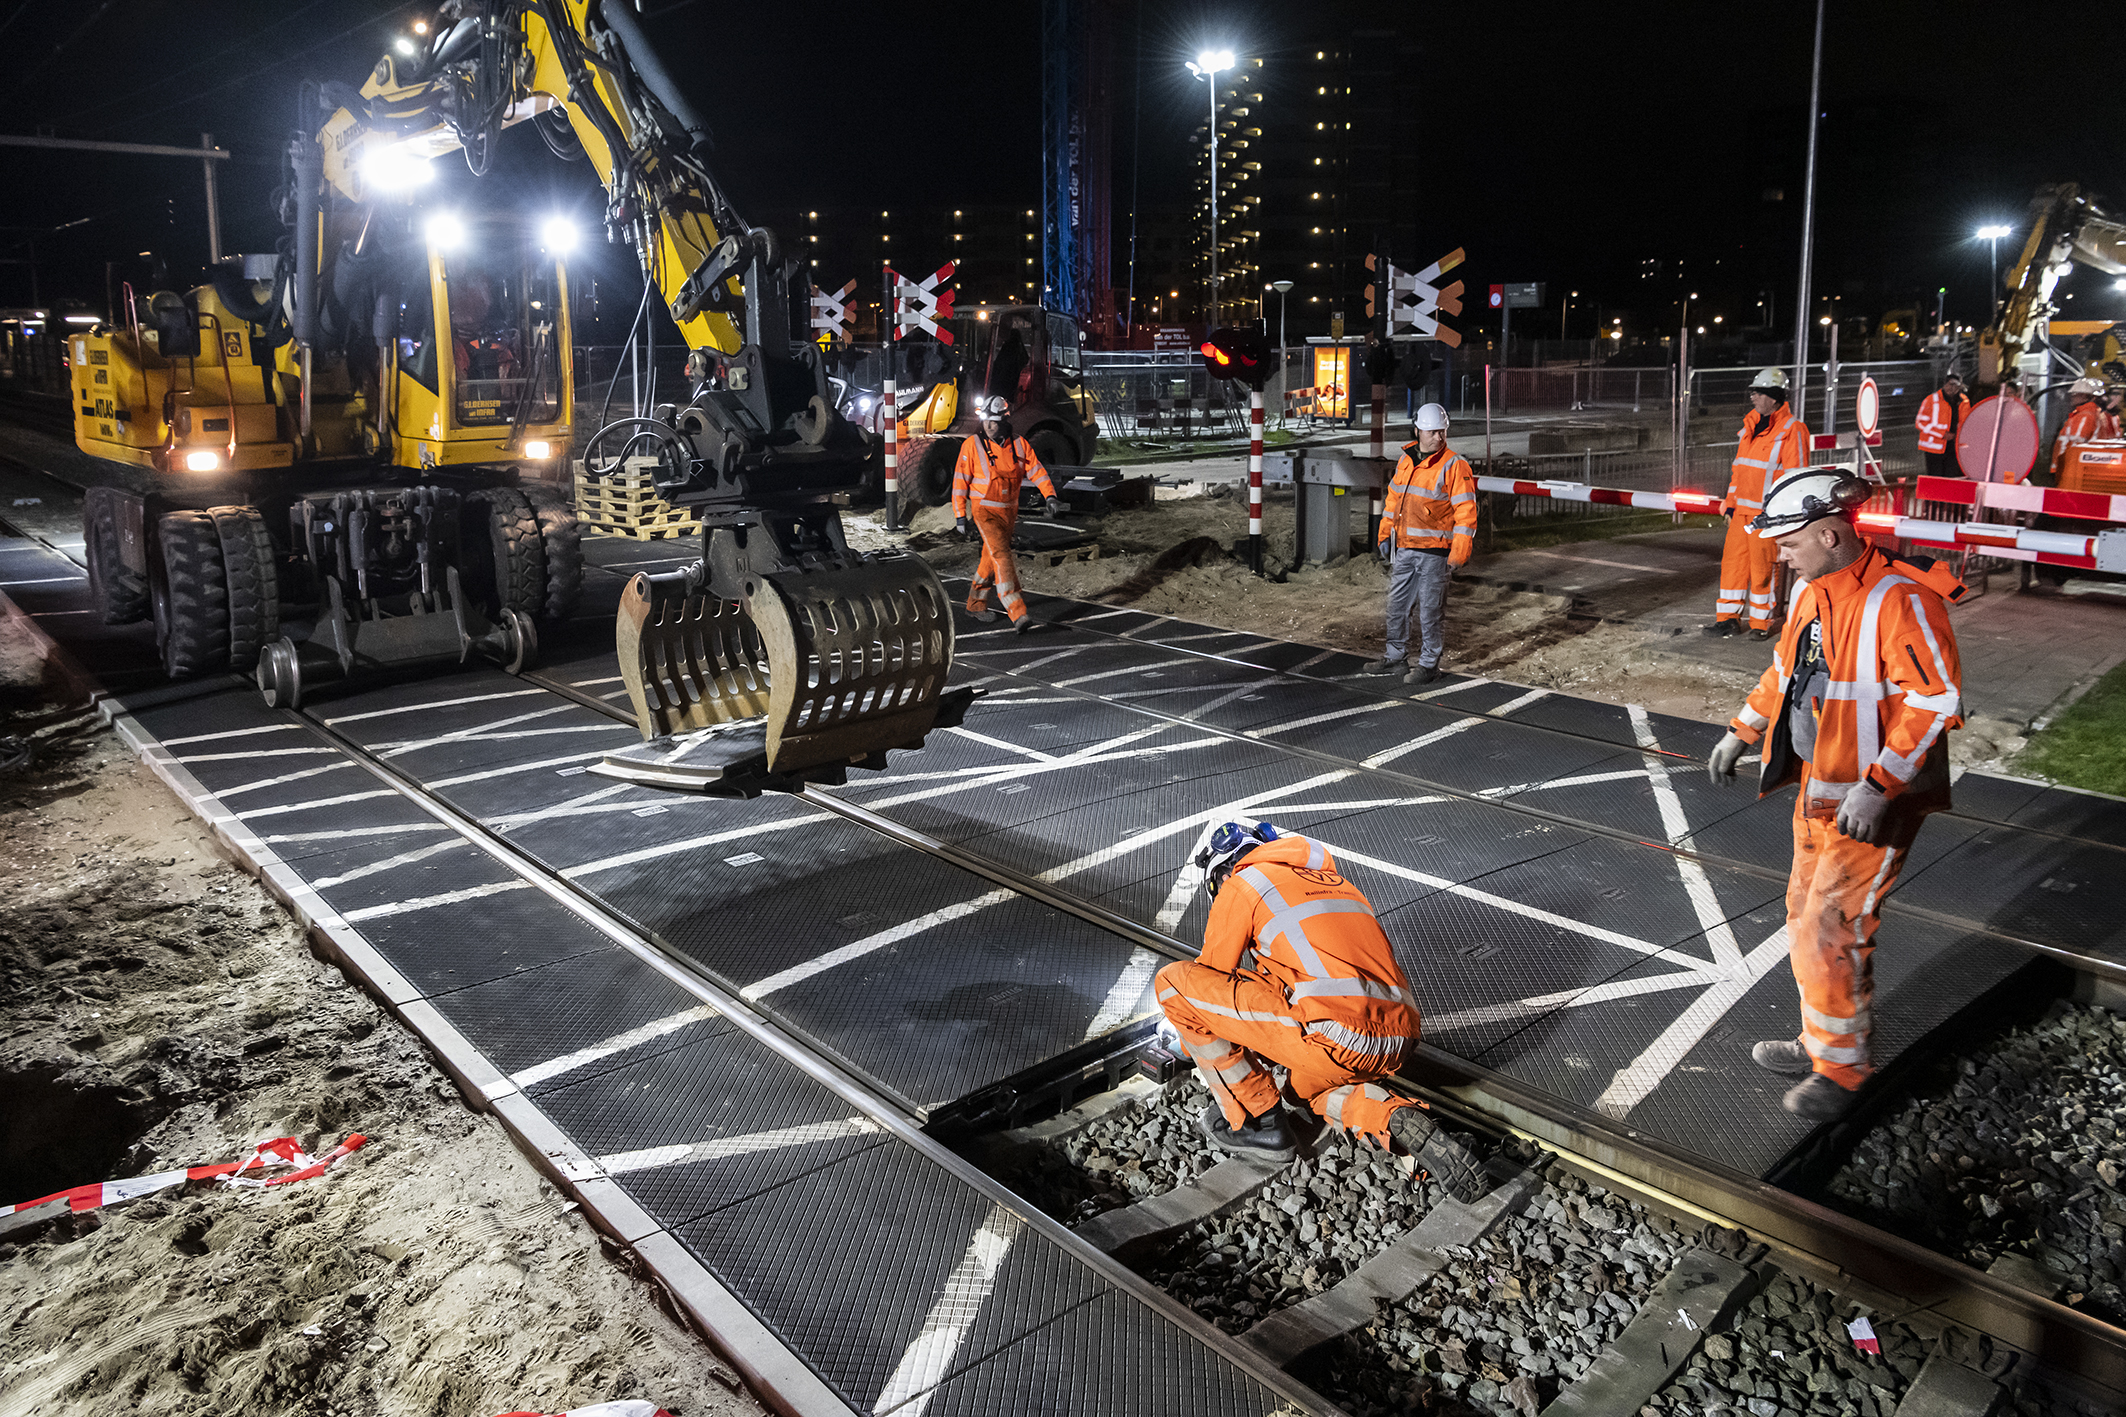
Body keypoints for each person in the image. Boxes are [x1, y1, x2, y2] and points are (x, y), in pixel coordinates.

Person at [1706, 468, 1965, 1122]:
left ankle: (1844, 1071)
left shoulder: (1901, 599)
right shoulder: (1813, 591)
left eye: (1788, 542)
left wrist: (1880, 788)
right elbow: (1786, 672)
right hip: (1822, 790)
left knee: (1832, 923)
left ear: (1829, 533)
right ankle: (1822, 1041)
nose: (1778, 553)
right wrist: (1744, 728)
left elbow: (1934, 702)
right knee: (1805, 917)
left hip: (1870, 800)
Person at [1153, 821, 1488, 1198]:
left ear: (1224, 872)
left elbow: (1207, 986)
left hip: (1334, 1035)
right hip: (1400, 1036)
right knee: (1300, 1093)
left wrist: (1186, 1043)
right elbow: (1293, 983)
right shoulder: (1338, 884)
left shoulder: (1245, 882)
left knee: (1172, 984)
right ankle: (1395, 1121)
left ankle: (1257, 1123)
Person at [1361, 403, 1477, 685]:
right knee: (1397, 606)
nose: (1438, 437)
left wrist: (1458, 553)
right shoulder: (1406, 460)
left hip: (1435, 553)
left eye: (1442, 431)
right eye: (1432, 432)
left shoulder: (1454, 464)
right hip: (1405, 548)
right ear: (1418, 431)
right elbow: (1393, 501)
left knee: (1430, 611)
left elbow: (1466, 513)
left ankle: (1428, 664)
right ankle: (1395, 657)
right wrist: (1385, 534)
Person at [1707, 368, 1810, 640]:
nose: (1753, 396)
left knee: (1763, 570)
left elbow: (1795, 477)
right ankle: (1727, 620)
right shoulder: (1749, 427)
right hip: (1741, 513)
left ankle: (1761, 624)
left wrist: (1783, 515)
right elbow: (1738, 471)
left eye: (1758, 392)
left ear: (1774, 397)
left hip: (1767, 516)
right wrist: (1730, 504)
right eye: (1753, 391)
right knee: (1733, 566)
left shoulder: (1792, 430)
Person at [953, 395, 1061, 633]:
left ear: (1004, 420)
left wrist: (1050, 496)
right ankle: (1017, 612)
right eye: (985, 421)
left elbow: (1037, 471)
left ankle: (975, 605)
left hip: (1008, 513)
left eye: (993, 421)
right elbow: (960, 483)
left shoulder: (1020, 445)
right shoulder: (971, 446)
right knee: (1002, 555)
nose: (988, 426)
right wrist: (960, 514)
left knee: (990, 559)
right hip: (984, 511)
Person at [2049, 376, 2110, 483]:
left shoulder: (2085, 416)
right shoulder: (2094, 414)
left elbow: (2074, 446)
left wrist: (2062, 470)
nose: (2073, 397)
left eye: (2077, 394)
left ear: (2089, 397)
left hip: (2071, 472)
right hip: (2078, 470)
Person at [1914, 372, 1968, 479]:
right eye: (1949, 384)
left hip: (1954, 448)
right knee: (1935, 479)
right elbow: (1920, 422)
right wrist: (1942, 434)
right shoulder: (1931, 400)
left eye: (1954, 385)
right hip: (1934, 449)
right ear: (1944, 385)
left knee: (1951, 479)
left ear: (1959, 387)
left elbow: (1966, 423)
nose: (1951, 388)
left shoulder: (1964, 401)